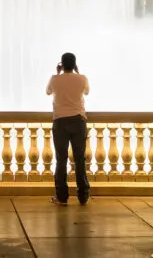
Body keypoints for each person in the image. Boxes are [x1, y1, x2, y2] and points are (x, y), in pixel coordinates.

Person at [46, 52, 90, 206]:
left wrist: (58, 73)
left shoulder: (54, 79)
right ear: (75, 64)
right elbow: (87, 92)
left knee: (61, 159)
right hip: (78, 121)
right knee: (79, 159)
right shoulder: (82, 78)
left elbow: (48, 92)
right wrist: (78, 73)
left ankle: (62, 197)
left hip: (60, 122)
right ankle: (83, 196)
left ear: (61, 64)